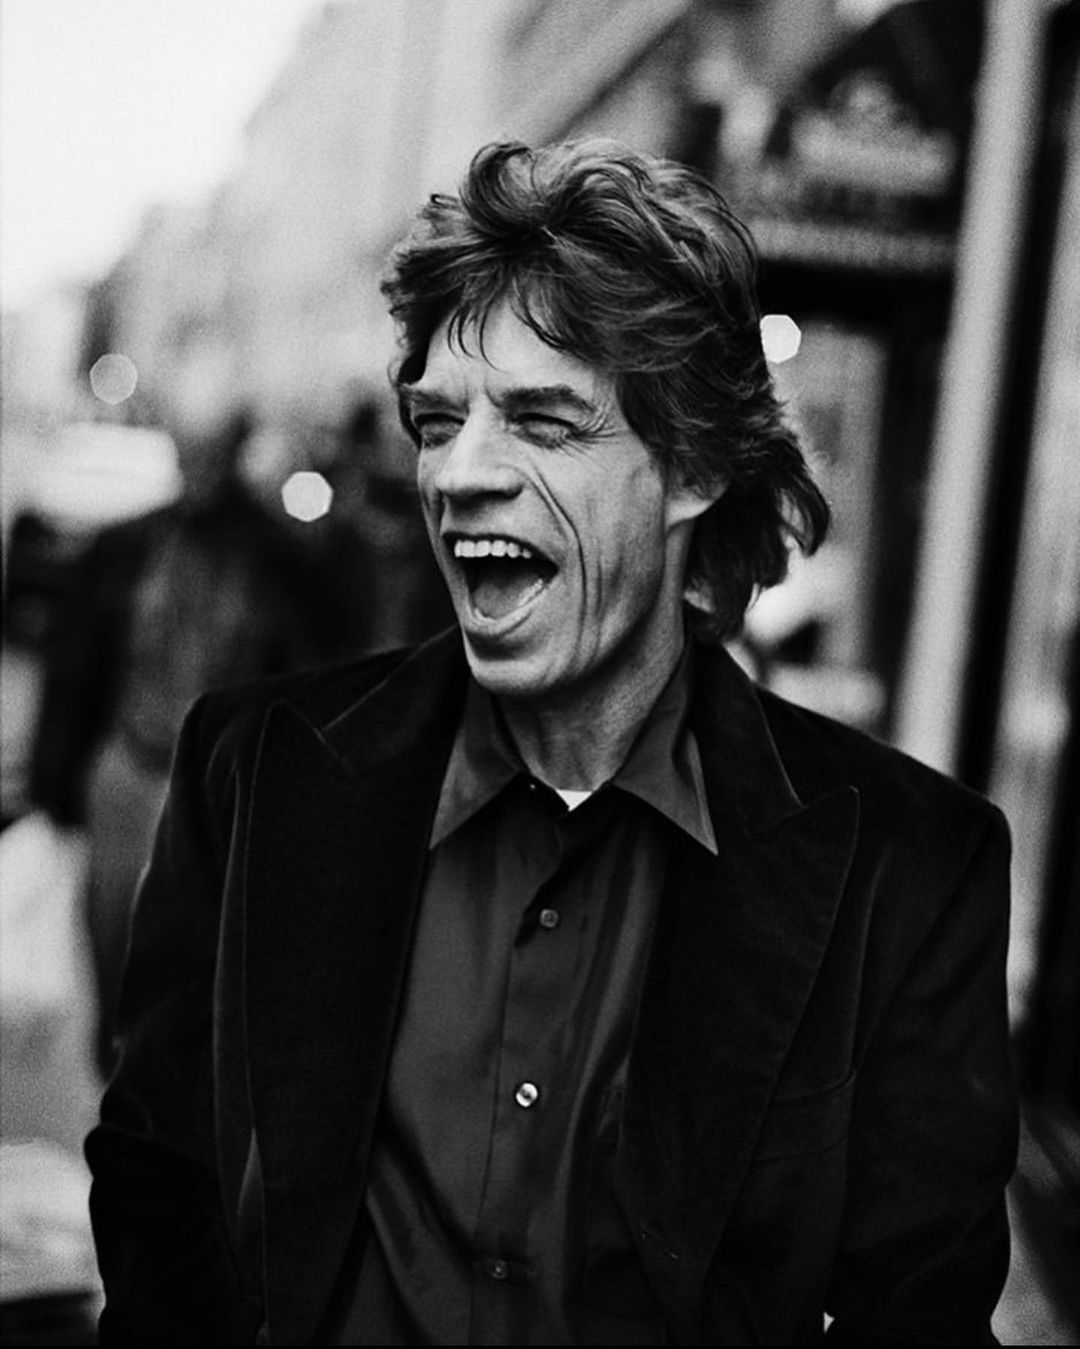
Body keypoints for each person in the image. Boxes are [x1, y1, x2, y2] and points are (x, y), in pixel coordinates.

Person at [85, 141, 1017, 1345]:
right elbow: (159, 1180)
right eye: (438, 421)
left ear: (693, 465)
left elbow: (919, 1310)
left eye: (541, 420)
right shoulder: (254, 770)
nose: (460, 474)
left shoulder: (911, 869)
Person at [29, 401, 347, 1079]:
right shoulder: (128, 545)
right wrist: (54, 778)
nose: (197, 462)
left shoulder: (278, 559)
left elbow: (311, 681)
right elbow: (78, 661)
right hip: (128, 767)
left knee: (197, 965)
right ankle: (123, 1080)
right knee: (113, 942)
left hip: (213, 785)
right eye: (189, 446)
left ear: (235, 451)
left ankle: (168, 1088)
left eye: (212, 447)